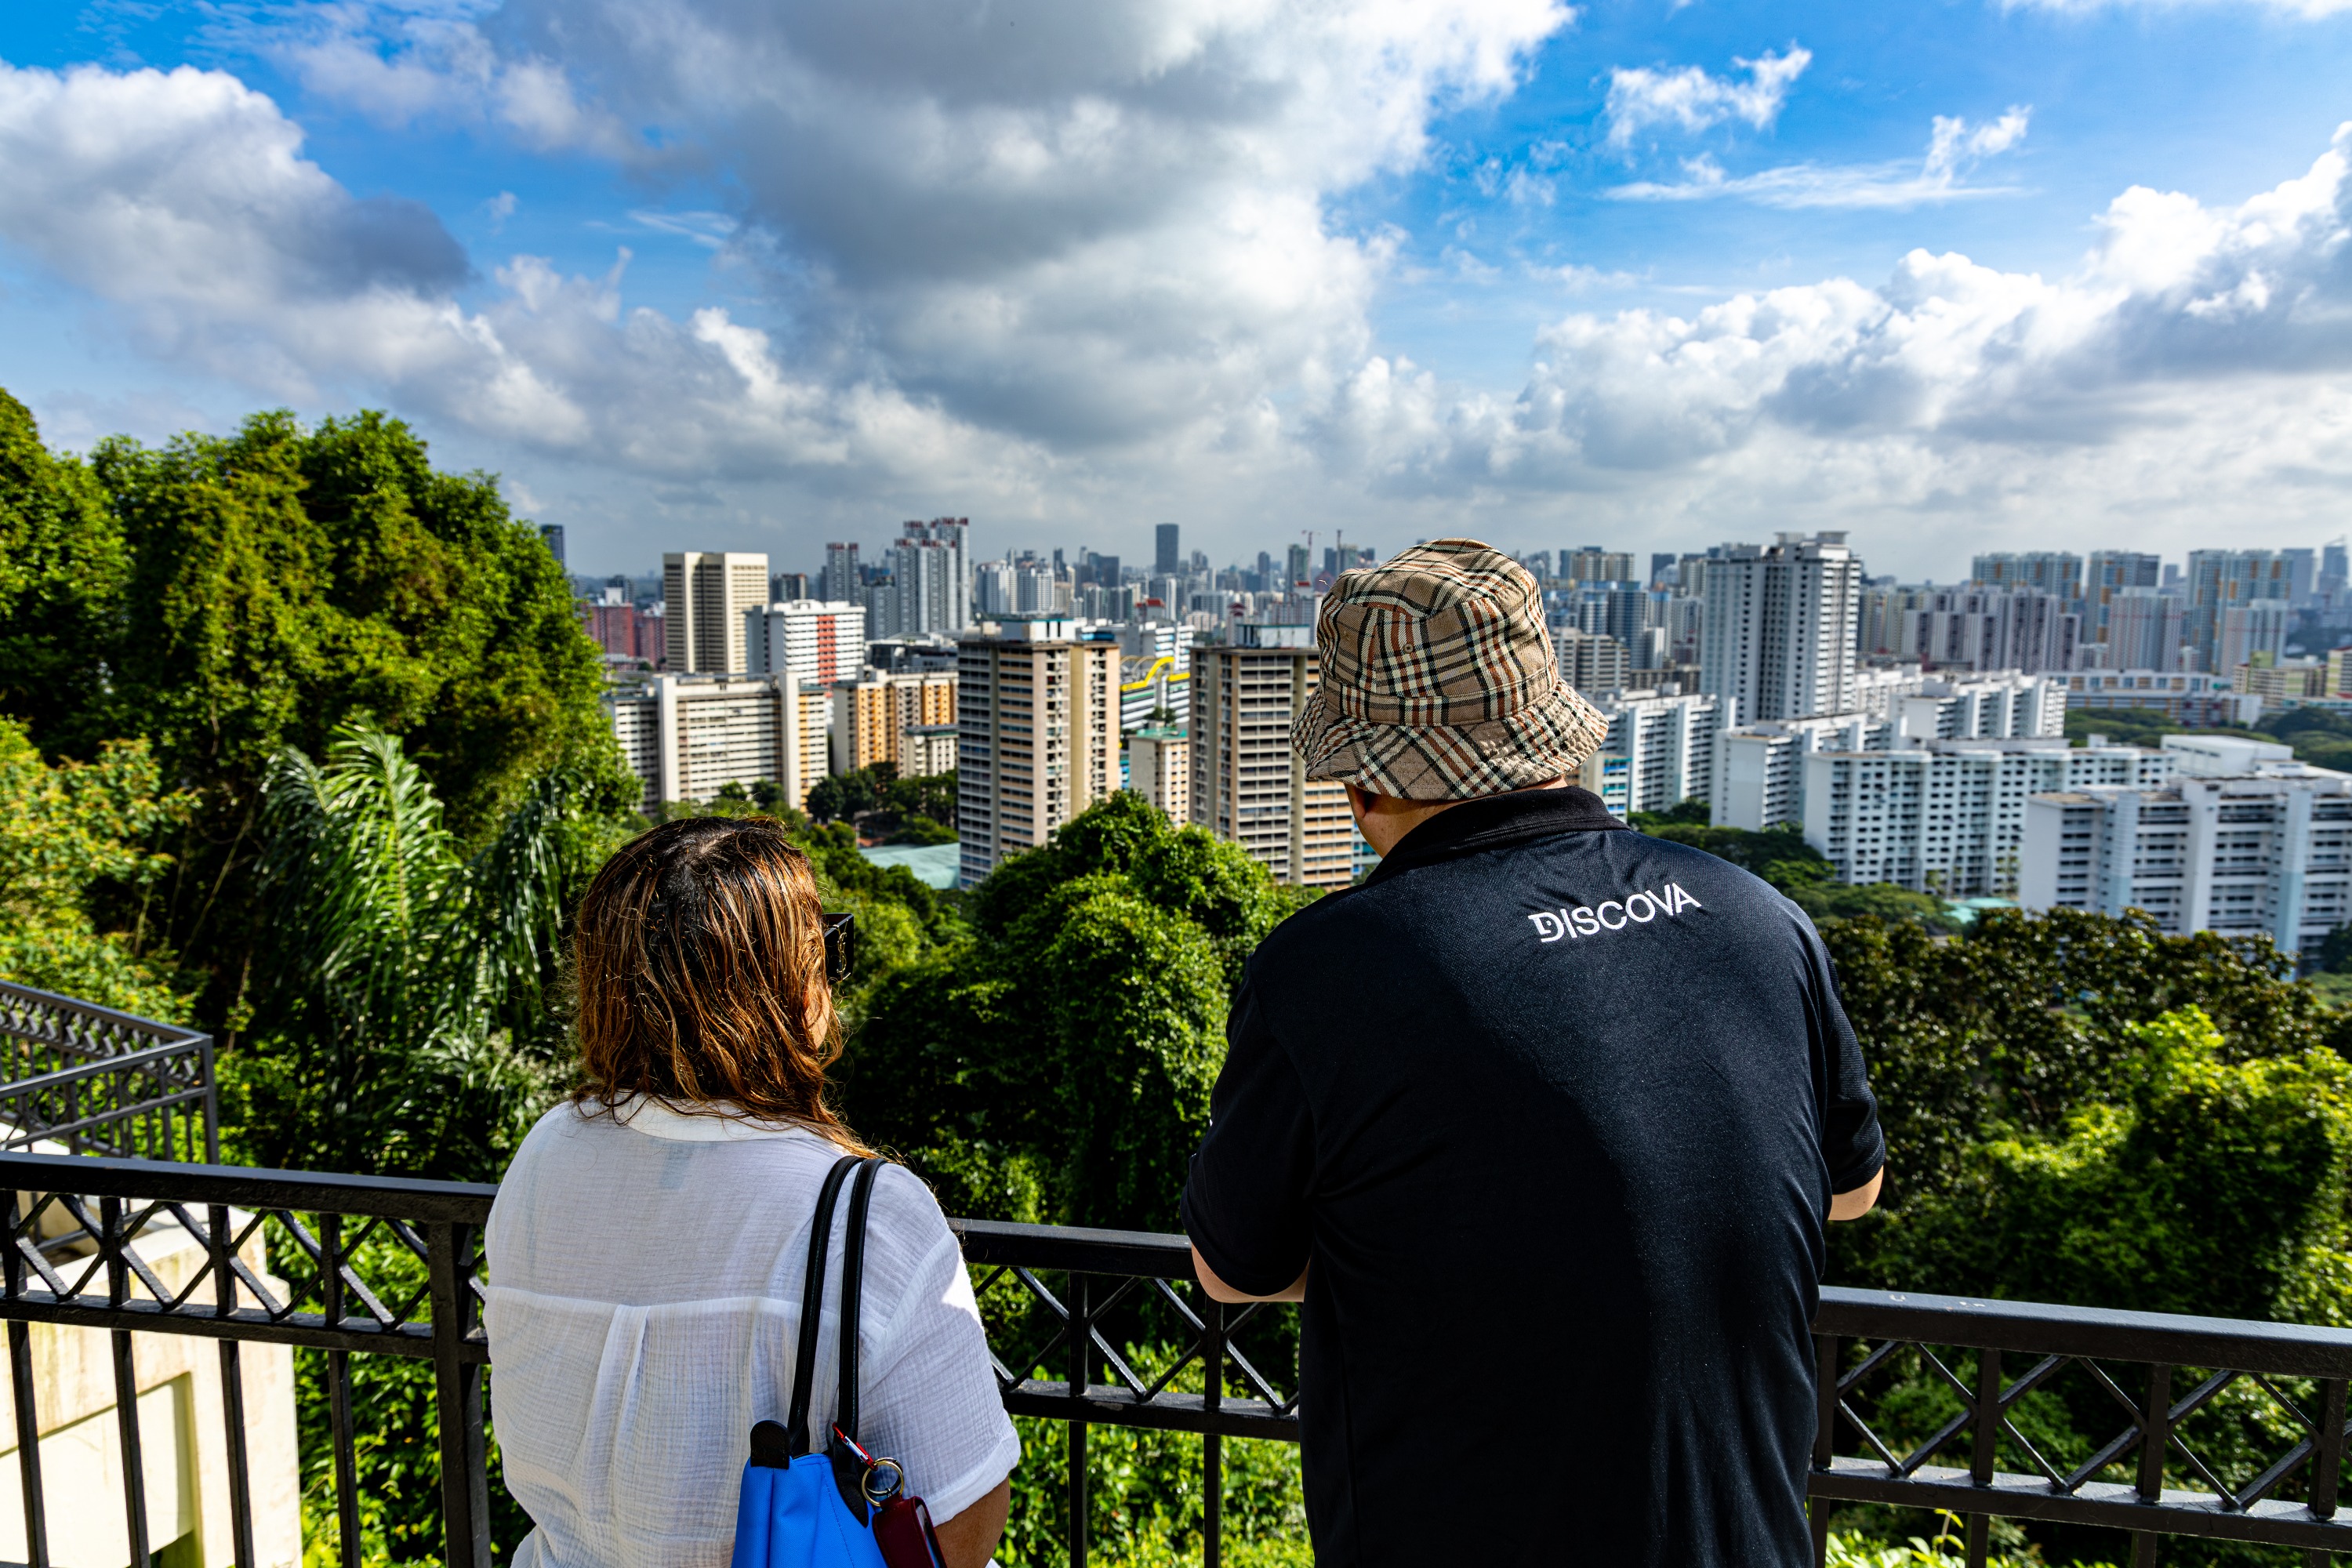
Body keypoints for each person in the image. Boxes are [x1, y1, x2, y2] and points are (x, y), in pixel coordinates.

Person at [1179, 539, 1884, 1567]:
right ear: (1556, 737)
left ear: (1361, 781)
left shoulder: (1329, 972)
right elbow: (1850, 1192)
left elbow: (1232, 1270)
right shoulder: (1758, 916)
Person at [485, 815, 1018, 1568]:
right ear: (788, 990)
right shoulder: (863, 1212)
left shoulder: (546, 1156)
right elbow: (963, 1524)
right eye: (825, 954)